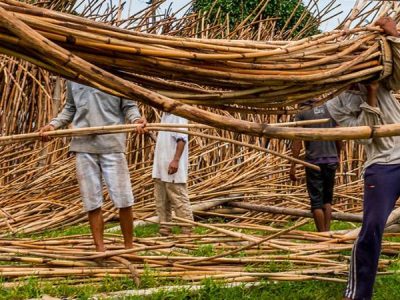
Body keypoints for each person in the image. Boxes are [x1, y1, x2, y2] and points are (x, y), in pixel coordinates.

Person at [326, 16, 400, 300]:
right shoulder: (336, 104)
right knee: (371, 227)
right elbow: (368, 135)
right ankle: (358, 294)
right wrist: (368, 95)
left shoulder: (382, 77)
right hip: (381, 166)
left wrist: (392, 35)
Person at [40, 81, 146, 252]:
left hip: (112, 144)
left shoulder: (114, 76)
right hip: (83, 145)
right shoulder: (73, 79)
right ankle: (100, 249)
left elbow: (129, 106)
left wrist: (137, 119)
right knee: (92, 201)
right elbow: (70, 108)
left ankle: (129, 248)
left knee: (124, 198)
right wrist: (53, 125)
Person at [290, 103, 340, 232]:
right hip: (331, 160)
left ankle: (322, 236)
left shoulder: (302, 112)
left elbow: (297, 141)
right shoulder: (331, 108)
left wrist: (293, 165)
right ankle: (327, 233)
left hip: (314, 162)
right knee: (327, 200)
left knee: (316, 202)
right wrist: (337, 156)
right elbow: (339, 135)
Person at [152, 112, 193, 235]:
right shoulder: (165, 115)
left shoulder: (178, 114)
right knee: (161, 199)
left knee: (178, 198)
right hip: (161, 165)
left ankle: (187, 230)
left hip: (172, 165)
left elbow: (182, 139)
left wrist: (175, 160)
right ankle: (165, 227)